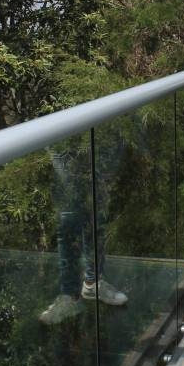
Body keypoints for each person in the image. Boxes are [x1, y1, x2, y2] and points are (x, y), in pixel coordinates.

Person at [39, 136, 128, 325]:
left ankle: (92, 283)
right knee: (70, 215)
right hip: (62, 130)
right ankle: (70, 296)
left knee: (95, 212)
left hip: (99, 130)